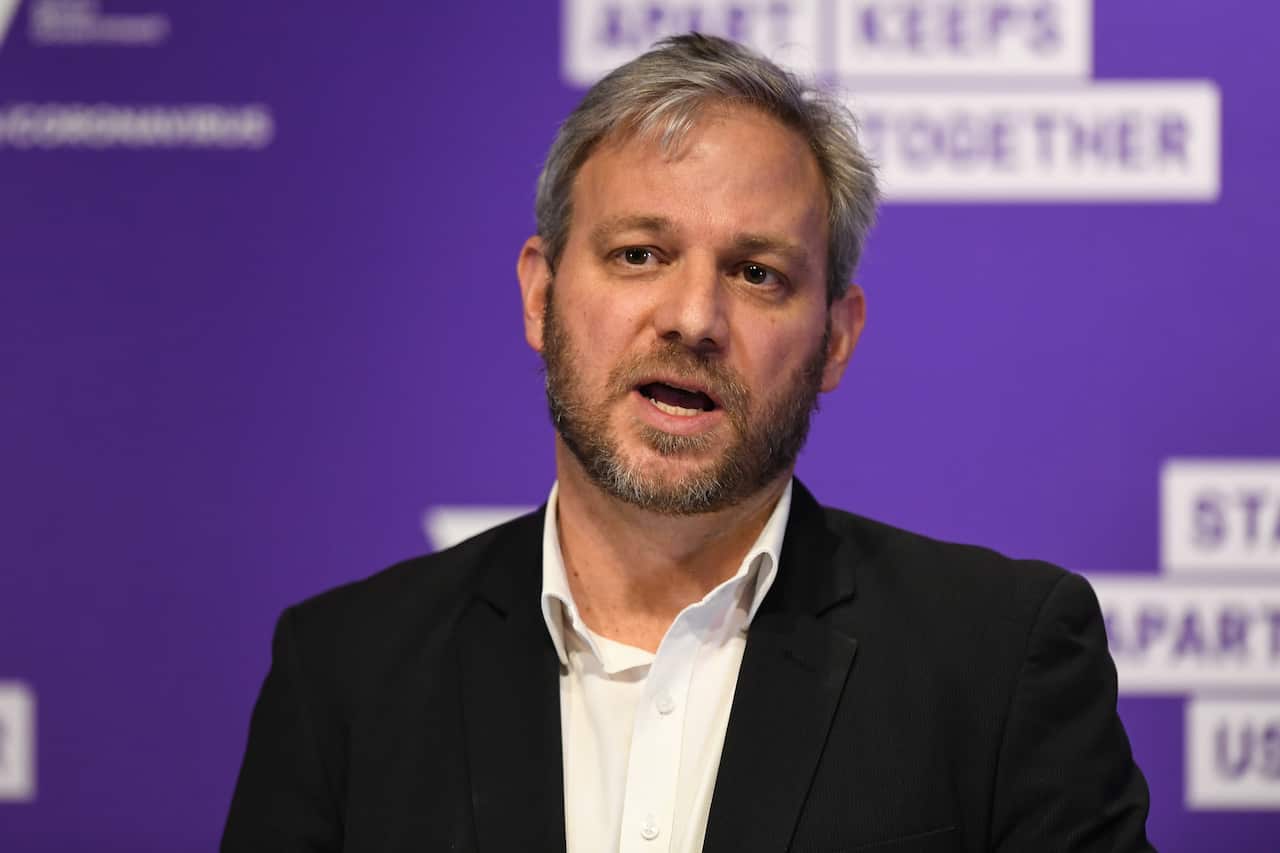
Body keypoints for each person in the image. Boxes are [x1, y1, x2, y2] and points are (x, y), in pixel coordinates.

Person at [222, 33, 1153, 853]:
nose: (694, 317)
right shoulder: (345, 672)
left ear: (835, 339)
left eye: (757, 273)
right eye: (640, 254)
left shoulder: (998, 661)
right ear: (541, 296)